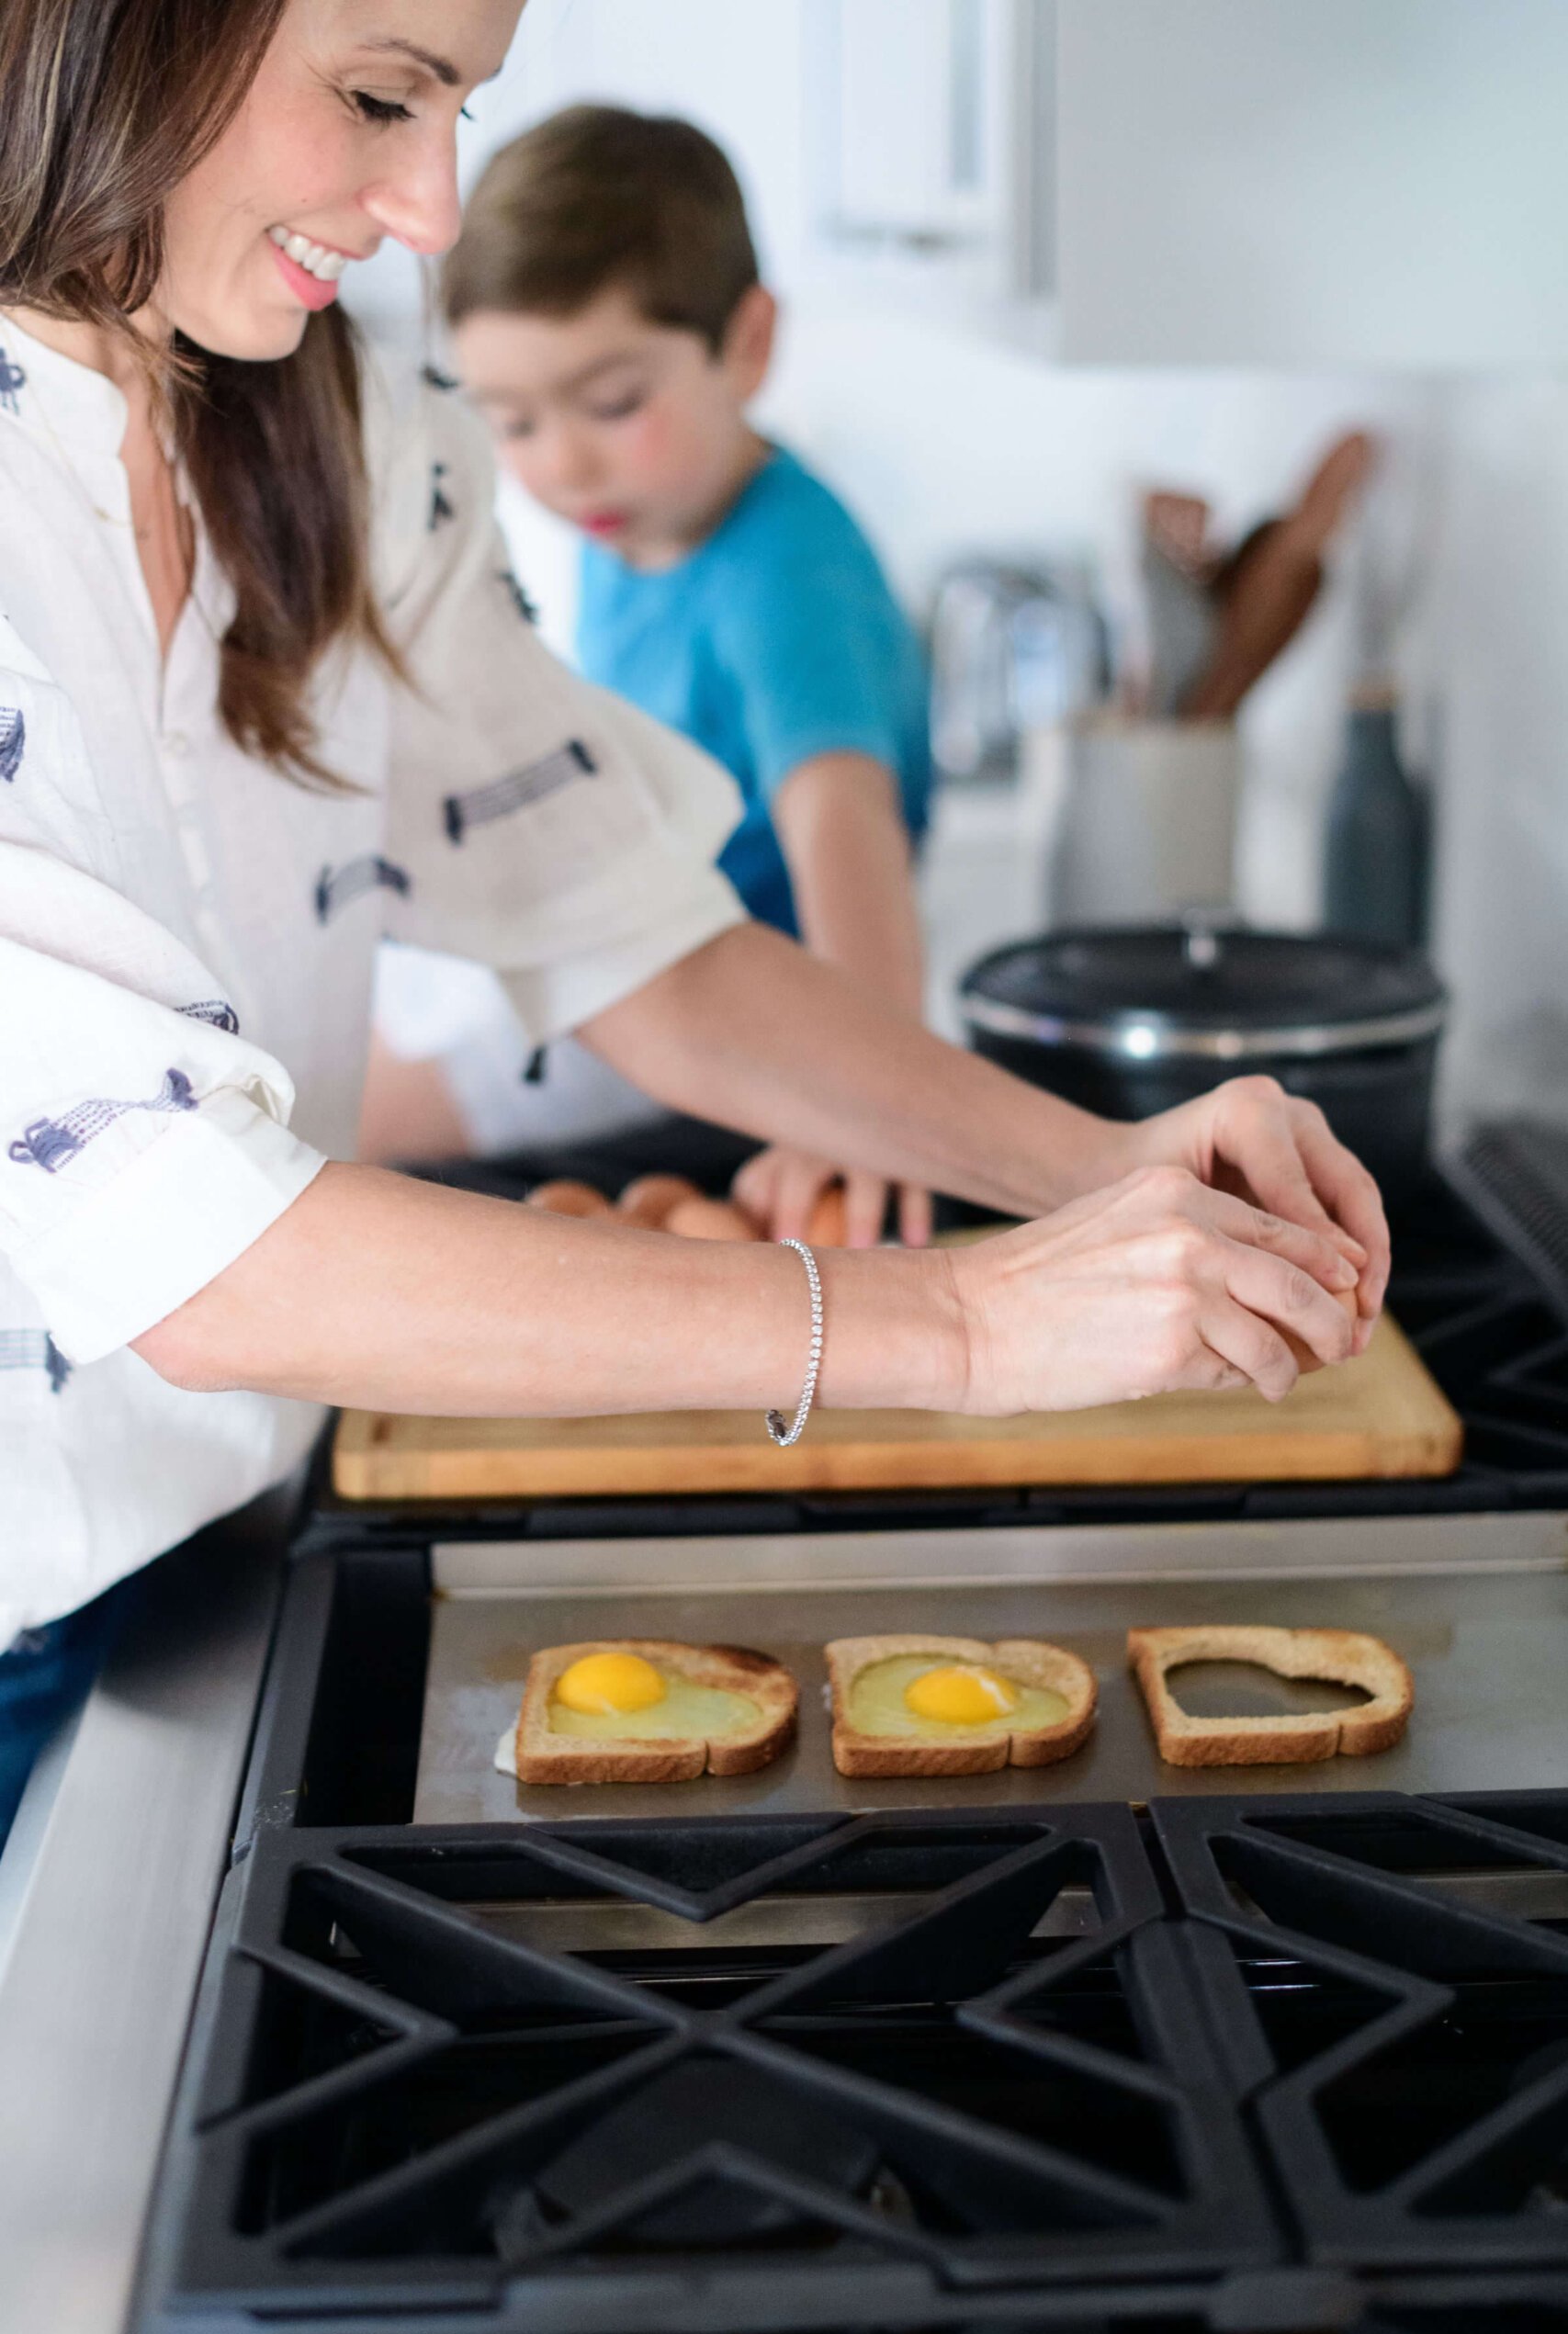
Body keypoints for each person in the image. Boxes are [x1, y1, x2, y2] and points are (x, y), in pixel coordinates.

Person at [0, 0, 1386, 1850]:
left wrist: (1102, 1173)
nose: (430, 205)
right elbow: (195, 1245)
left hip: (221, 1561)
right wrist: (960, 1320)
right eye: (380, 93)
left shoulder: (337, 423)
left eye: (464, 107)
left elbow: (632, 930)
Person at [377, 103, 935, 1247]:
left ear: (749, 342)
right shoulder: (636, 520)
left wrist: (874, 1108)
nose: (562, 461)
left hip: (722, 1014)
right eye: (513, 421)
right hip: (633, 948)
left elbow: (844, 821)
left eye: (614, 403)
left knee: (342, 1139)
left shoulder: (785, 568)